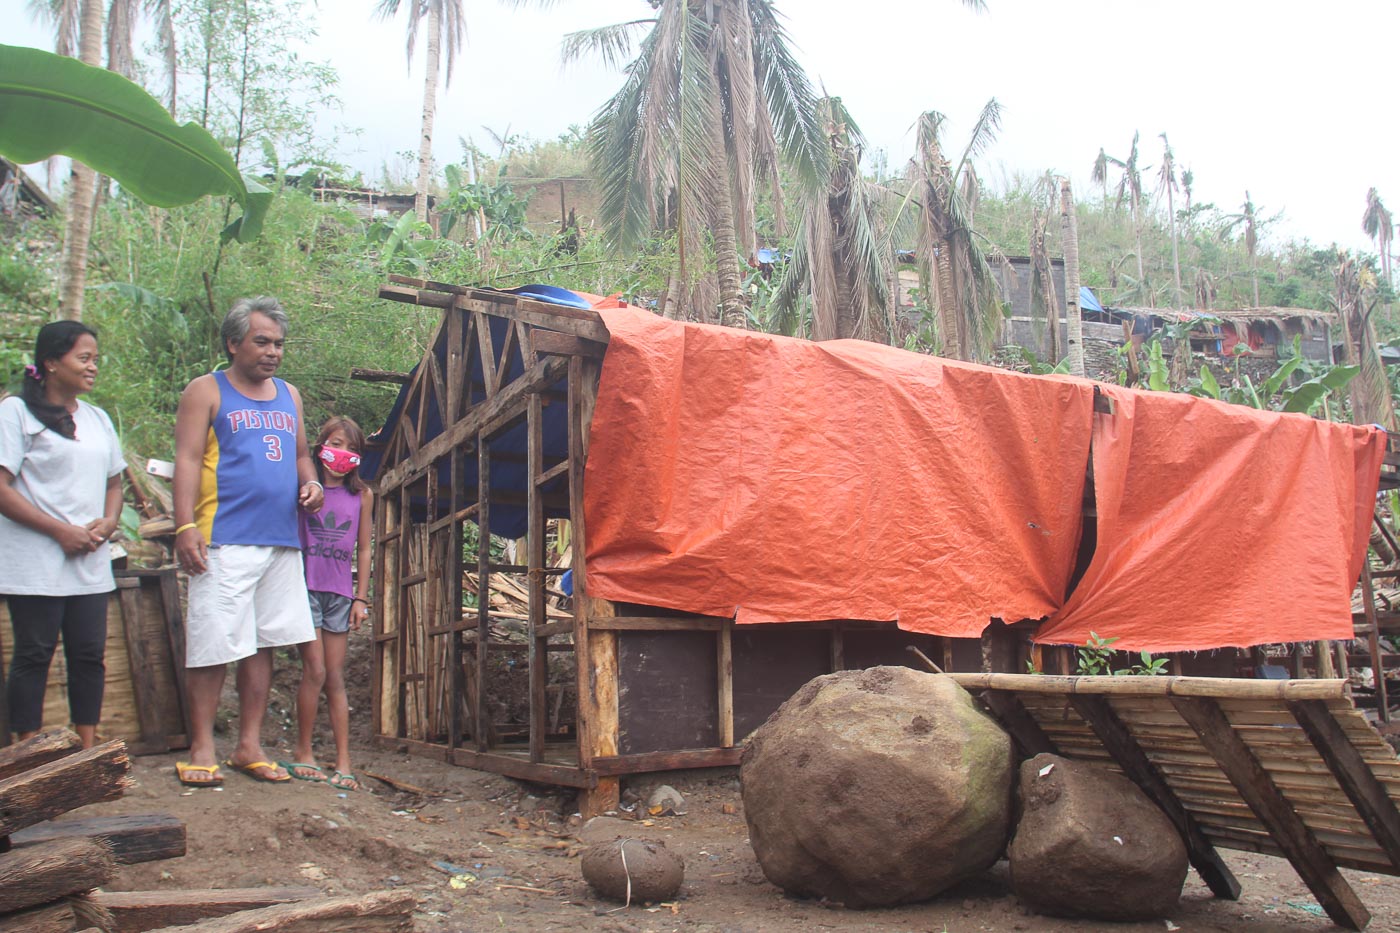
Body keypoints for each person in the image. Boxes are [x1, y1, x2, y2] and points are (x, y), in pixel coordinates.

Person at [172, 297, 324, 786]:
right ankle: (202, 747)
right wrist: (183, 526)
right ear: (233, 343)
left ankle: (249, 745)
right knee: (214, 643)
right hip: (224, 538)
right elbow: (188, 460)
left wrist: (314, 483)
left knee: (265, 644)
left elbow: (302, 455)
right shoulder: (206, 391)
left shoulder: (289, 395)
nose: (273, 352)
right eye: (262, 341)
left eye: (278, 343)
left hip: (281, 540)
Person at [0, 321, 125, 749]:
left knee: (88, 654)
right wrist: (59, 532)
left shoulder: (97, 419)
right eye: (83, 358)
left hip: (89, 559)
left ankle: (86, 752)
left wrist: (109, 522)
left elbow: (114, 483)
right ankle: (27, 753)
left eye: (95, 358)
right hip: (35, 561)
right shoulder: (15, 413)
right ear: (51, 363)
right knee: (34, 654)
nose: (93, 367)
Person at [282, 416, 371, 792]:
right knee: (314, 671)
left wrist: (360, 597)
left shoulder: (363, 495)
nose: (344, 453)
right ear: (320, 447)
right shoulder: (301, 487)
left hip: (339, 594)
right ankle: (304, 753)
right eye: (337, 443)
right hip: (303, 588)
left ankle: (344, 763)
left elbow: (364, 548)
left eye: (352, 448)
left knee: (334, 678)